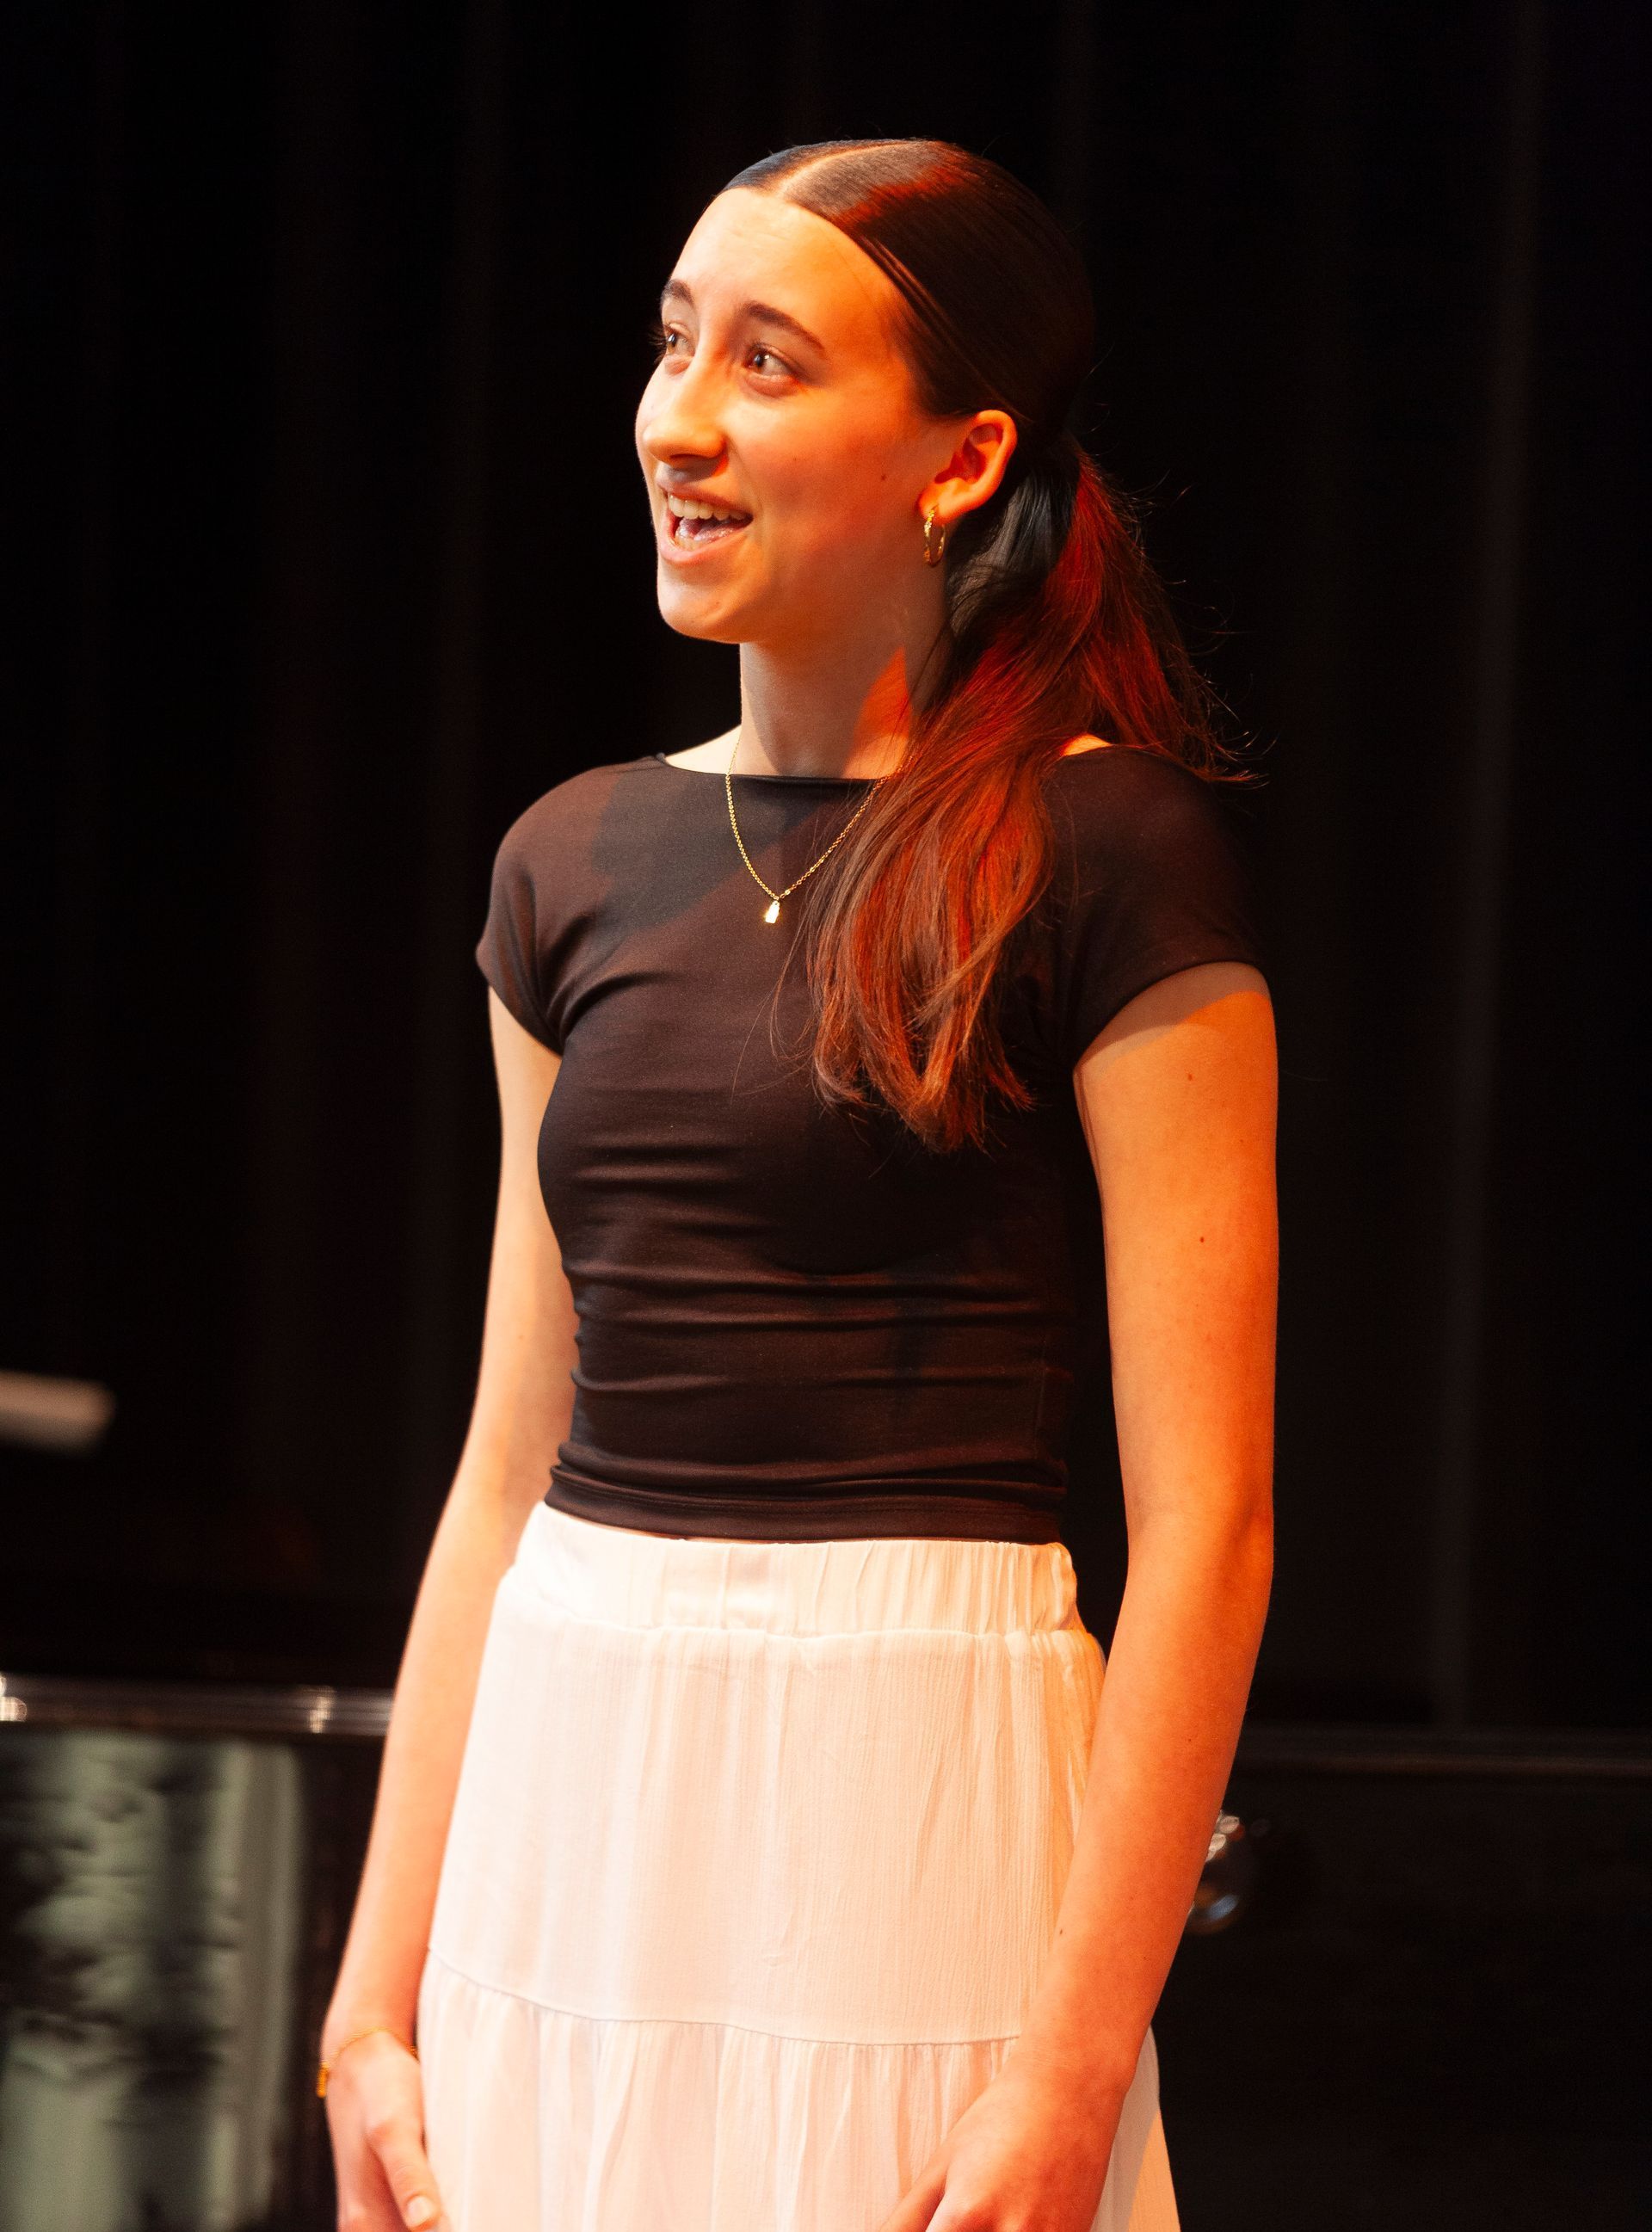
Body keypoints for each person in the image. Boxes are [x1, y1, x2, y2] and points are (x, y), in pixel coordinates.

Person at [317, 136, 1277, 2232]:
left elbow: (1207, 1523)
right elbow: (505, 1466)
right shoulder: (569, 858)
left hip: (913, 1791)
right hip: (577, 1793)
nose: (682, 415)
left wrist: (1071, 2059)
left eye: (768, 360)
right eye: (675, 346)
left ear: (960, 459)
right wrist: (370, 1998)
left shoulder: (1107, 858)